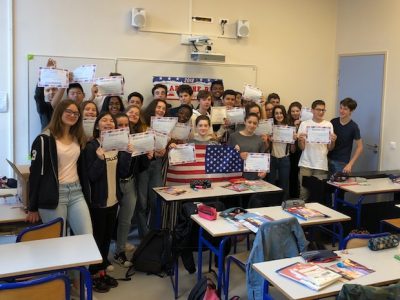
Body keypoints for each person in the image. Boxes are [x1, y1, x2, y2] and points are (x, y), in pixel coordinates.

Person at [27, 99, 92, 236]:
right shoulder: (43, 140)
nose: (73, 115)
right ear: (59, 112)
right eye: (68, 111)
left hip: (76, 192)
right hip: (53, 194)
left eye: (76, 113)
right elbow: (34, 174)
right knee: (58, 240)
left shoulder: (78, 138)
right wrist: (32, 207)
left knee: (87, 236)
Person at [85, 112, 132, 292]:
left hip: (114, 200)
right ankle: (94, 274)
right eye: (104, 120)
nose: (108, 123)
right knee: (97, 238)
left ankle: (102, 270)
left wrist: (127, 153)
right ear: (97, 126)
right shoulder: (91, 147)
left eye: (111, 121)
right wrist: (99, 158)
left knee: (106, 239)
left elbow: (123, 173)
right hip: (98, 202)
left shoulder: (117, 146)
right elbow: (91, 176)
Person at [137, 99, 168, 238]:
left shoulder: (166, 127)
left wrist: (164, 151)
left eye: (163, 108)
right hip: (143, 167)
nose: (161, 110)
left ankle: (155, 235)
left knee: (157, 201)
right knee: (142, 204)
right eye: (158, 107)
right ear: (152, 107)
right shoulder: (142, 125)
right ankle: (144, 238)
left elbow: (164, 147)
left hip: (156, 165)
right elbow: (136, 148)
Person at [297, 100, 337, 201]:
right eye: (318, 109)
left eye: (323, 110)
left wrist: (333, 141)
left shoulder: (328, 125)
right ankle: (302, 215)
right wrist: (301, 140)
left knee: (317, 194)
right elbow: (301, 148)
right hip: (305, 163)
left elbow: (330, 148)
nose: (321, 112)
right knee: (304, 193)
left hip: (321, 165)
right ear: (312, 110)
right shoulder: (304, 124)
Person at [266, 105, 294, 200]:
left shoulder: (290, 128)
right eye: (276, 113)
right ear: (273, 115)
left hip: (284, 158)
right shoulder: (270, 128)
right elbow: (265, 146)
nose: (279, 115)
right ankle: (270, 204)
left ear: (284, 114)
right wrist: (267, 139)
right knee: (270, 184)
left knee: (284, 184)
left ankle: (284, 203)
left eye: (281, 113)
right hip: (272, 158)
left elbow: (293, 150)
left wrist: (293, 140)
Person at [328, 98, 363, 175]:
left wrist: (350, 164)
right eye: (340, 108)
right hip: (328, 159)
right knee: (326, 186)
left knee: (338, 186)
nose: (341, 111)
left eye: (345, 109)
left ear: (351, 111)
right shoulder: (333, 122)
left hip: (342, 163)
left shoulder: (353, 126)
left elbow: (360, 147)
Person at [34, 58, 64, 129]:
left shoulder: (65, 106)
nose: (51, 92)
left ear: (59, 90)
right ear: (44, 93)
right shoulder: (43, 108)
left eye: (54, 89)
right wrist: (44, 75)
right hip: (47, 139)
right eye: (48, 90)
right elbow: (38, 96)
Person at [287, 101, 303, 198]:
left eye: (297, 111)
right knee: (292, 175)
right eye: (293, 111)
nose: (295, 113)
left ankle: (300, 197)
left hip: (303, 152)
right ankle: (292, 197)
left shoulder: (305, 123)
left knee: (301, 178)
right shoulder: (287, 123)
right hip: (292, 154)